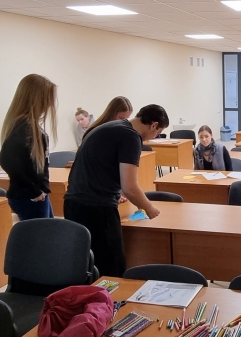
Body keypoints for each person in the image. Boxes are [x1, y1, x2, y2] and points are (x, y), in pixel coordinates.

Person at [64, 105, 169, 277]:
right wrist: (149, 208)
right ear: (154, 125)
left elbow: (102, 167)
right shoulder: (131, 136)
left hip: (73, 203)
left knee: (85, 264)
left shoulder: (111, 126)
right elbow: (130, 187)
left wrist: (116, 191)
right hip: (97, 208)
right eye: (158, 133)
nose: (154, 137)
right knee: (111, 267)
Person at [0, 74, 57, 221]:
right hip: (31, 197)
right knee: (41, 235)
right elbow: (6, 160)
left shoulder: (29, 125)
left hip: (37, 195)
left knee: (49, 231)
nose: (50, 104)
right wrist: (33, 191)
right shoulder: (23, 127)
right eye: (48, 99)